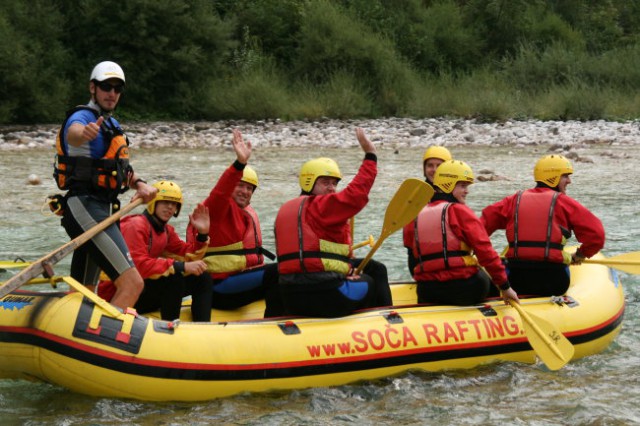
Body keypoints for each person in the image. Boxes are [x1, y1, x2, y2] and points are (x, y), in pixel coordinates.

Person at [54, 61, 157, 310]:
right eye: (106, 86)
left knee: (86, 291)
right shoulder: (83, 118)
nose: (112, 93)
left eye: (117, 88)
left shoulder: (111, 124)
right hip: (85, 208)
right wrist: (84, 133)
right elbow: (73, 133)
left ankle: (72, 326)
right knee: (133, 283)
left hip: (103, 210)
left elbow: (119, 170)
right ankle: (108, 342)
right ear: (93, 88)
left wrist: (140, 184)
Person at [274, 128, 392, 318]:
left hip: (290, 295)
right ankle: (385, 323)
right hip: (324, 293)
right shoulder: (322, 206)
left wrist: (345, 269)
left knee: (375, 267)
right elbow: (356, 195)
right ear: (309, 182)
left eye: (334, 183)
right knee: (369, 281)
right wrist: (371, 156)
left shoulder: (285, 210)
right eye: (325, 182)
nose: (332, 188)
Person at [187, 129, 282, 317]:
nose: (245, 191)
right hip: (218, 287)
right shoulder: (216, 210)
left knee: (289, 269)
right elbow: (220, 193)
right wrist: (240, 164)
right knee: (278, 272)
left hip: (240, 281)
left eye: (249, 188)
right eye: (240, 185)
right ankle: (276, 324)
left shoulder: (246, 214)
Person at [481, 154, 605, 296]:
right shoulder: (565, 203)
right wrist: (580, 255)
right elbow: (597, 236)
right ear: (553, 178)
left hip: (516, 281)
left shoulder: (514, 200)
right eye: (565, 176)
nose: (569, 181)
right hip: (554, 282)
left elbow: (479, 228)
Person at [406, 160, 519, 306]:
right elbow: (485, 252)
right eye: (463, 186)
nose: (467, 191)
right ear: (449, 185)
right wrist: (505, 287)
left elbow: (412, 256)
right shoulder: (459, 211)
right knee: (487, 279)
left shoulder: (416, 214)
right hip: (464, 287)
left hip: (427, 290)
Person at [97, 181, 213, 321]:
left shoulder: (166, 231)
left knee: (202, 277)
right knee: (173, 277)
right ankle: (169, 328)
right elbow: (137, 265)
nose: (170, 207)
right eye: (165, 202)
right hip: (117, 295)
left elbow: (187, 255)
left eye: (174, 204)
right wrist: (180, 267)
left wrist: (202, 234)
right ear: (153, 203)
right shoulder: (135, 225)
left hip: (142, 291)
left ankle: (203, 325)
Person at [402, 145, 452, 274]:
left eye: (439, 166)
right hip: (421, 261)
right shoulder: (416, 195)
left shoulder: (457, 192)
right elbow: (409, 238)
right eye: (430, 165)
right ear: (424, 169)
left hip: (450, 257)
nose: (434, 170)